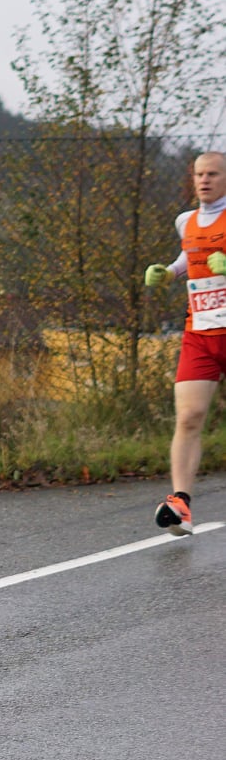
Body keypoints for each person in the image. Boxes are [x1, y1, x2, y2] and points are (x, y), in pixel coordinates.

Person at [144, 151, 226, 535]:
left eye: (213, 174)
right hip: (201, 332)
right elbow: (188, 256)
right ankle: (181, 505)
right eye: (199, 174)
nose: (204, 180)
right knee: (189, 416)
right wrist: (169, 272)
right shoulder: (185, 221)